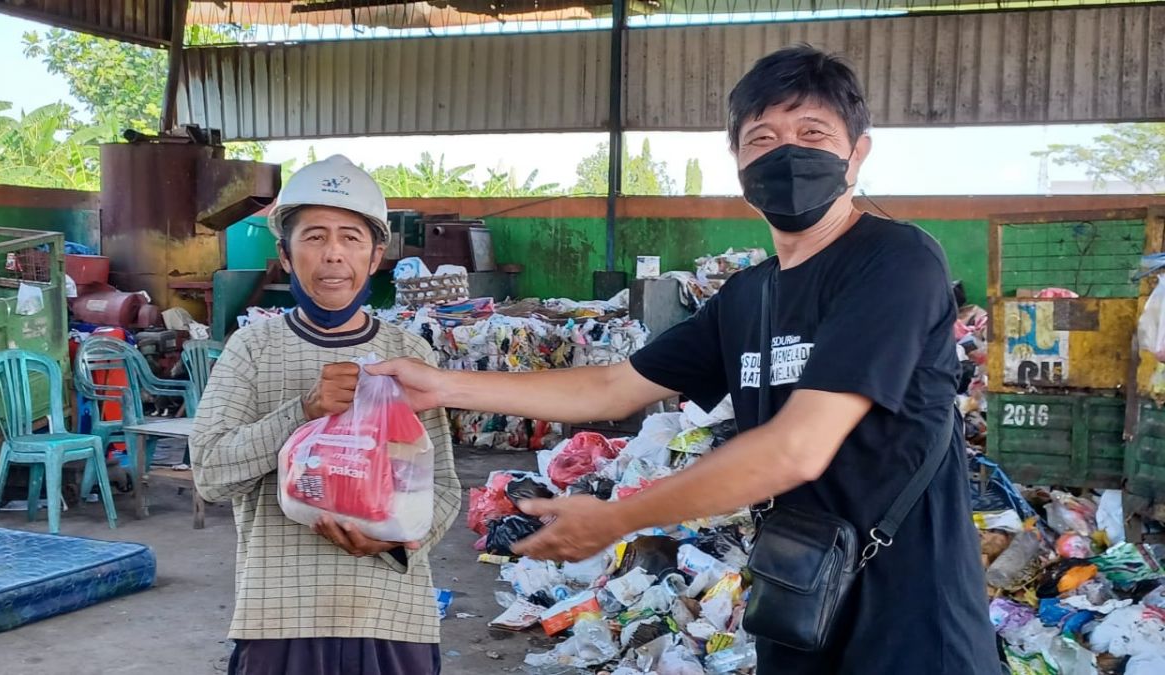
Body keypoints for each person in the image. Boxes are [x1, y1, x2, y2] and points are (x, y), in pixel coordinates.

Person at [369, 46, 1001, 674]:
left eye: (813, 133)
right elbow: (613, 388)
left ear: (856, 153)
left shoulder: (895, 262)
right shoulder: (748, 297)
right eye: (763, 138)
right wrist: (443, 385)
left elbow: (796, 448)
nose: (788, 153)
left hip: (914, 622)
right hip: (800, 606)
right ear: (738, 161)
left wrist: (616, 519)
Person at [191, 155, 461, 675]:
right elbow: (210, 474)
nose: (333, 255)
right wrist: (303, 411)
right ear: (286, 256)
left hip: (391, 615)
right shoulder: (253, 348)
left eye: (350, 238)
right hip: (280, 618)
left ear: (376, 255)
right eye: (314, 237)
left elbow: (443, 487)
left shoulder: (408, 353)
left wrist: (396, 539)